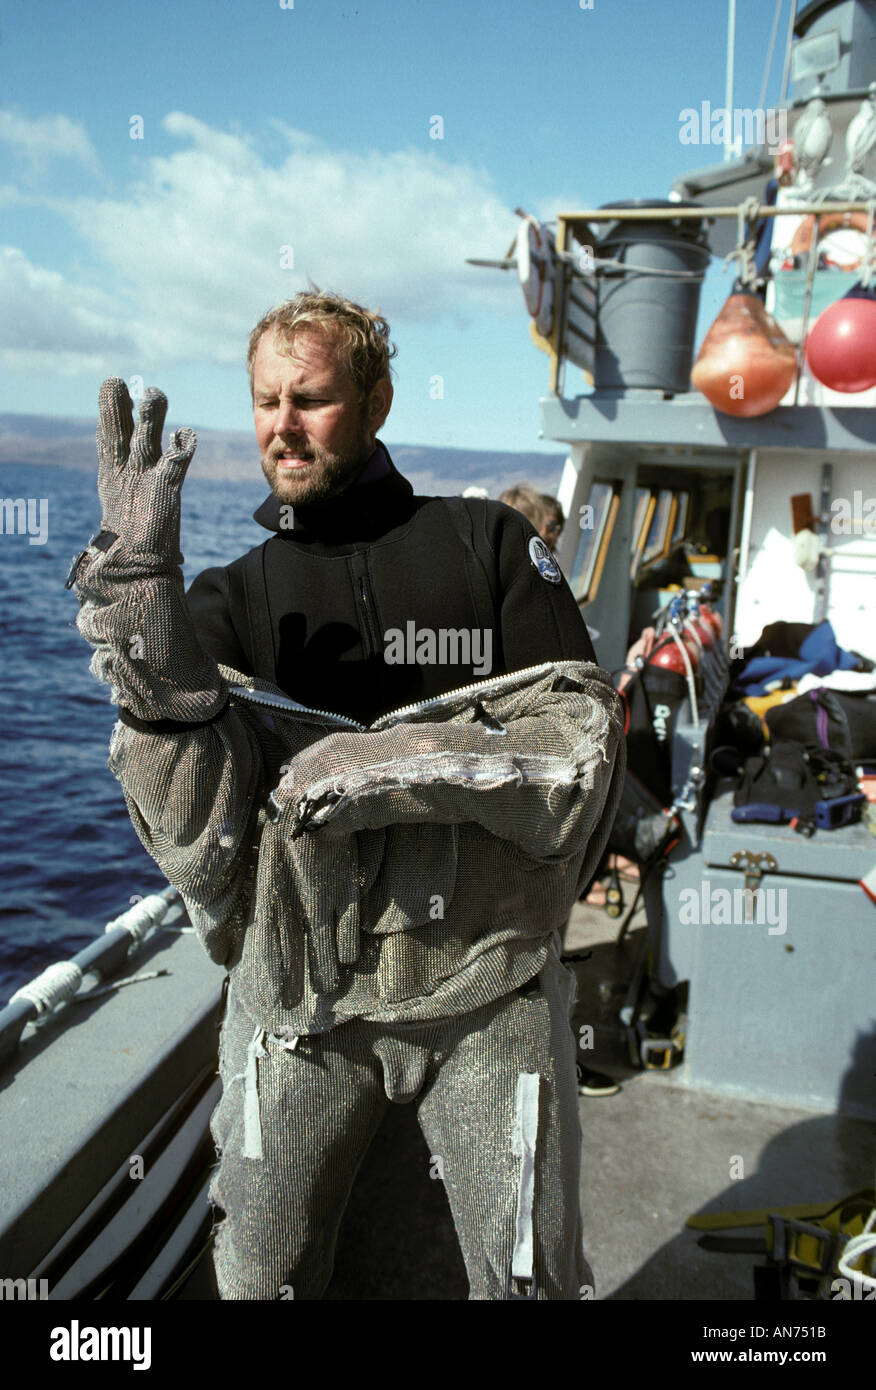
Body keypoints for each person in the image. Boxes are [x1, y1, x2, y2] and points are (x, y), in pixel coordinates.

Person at [70, 290, 625, 1300]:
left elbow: (575, 760)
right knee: (257, 1274)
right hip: (299, 1002)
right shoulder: (226, 601)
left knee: (530, 1276)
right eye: (266, 400)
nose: (282, 422)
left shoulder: (491, 545)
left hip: (488, 984)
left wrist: (391, 768)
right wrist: (153, 658)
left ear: (376, 402)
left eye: (312, 397)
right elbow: (199, 844)